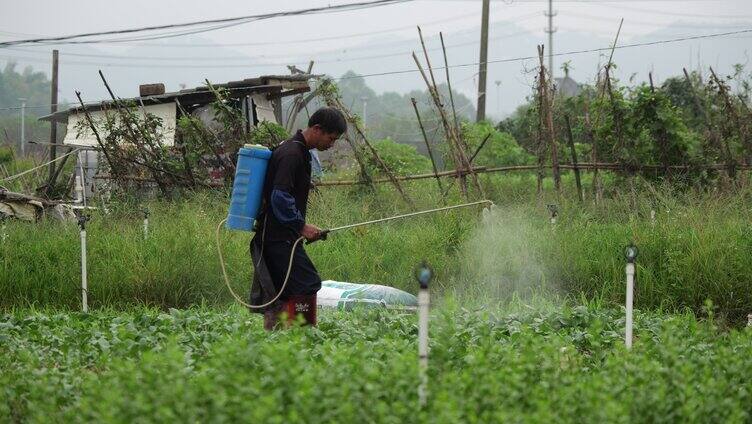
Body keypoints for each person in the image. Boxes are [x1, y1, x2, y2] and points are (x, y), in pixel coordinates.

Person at [250, 107, 347, 330]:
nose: (331, 145)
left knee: (281, 292)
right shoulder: (292, 154)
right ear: (317, 129)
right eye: (330, 139)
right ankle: (302, 337)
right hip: (278, 237)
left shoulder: (297, 150)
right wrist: (301, 226)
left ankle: (276, 338)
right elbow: (280, 197)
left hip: (276, 236)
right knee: (307, 284)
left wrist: (300, 229)